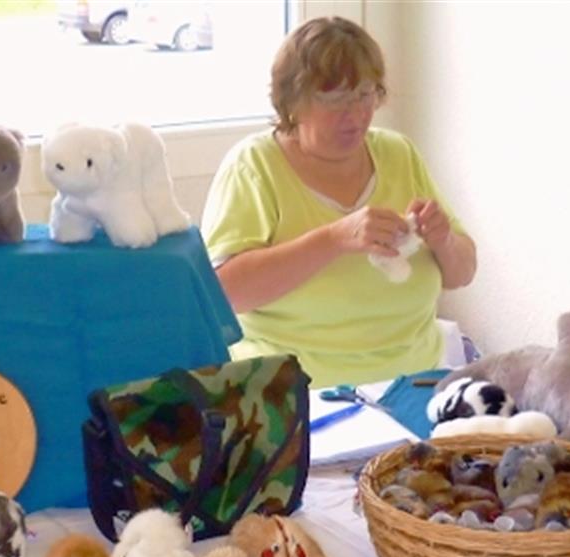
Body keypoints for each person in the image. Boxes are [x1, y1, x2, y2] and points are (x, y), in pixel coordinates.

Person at [201, 16, 477, 387]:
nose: (357, 114)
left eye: (366, 94)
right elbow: (225, 294)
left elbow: (462, 273)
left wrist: (442, 238)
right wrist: (334, 239)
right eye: (335, 99)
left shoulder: (398, 153)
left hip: (414, 381)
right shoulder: (254, 166)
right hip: (296, 392)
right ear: (292, 100)